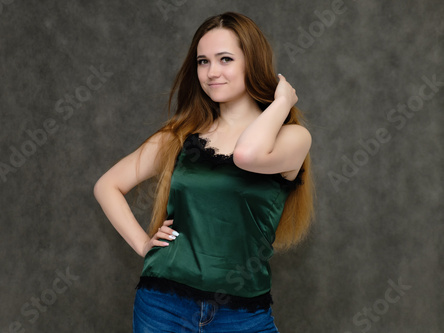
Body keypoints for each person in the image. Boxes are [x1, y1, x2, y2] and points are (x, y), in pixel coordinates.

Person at [94, 11, 314, 333]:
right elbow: (107, 185)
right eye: (202, 61)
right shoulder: (181, 137)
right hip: (162, 306)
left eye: (225, 59)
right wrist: (144, 245)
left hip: (243, 314)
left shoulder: (292, 137)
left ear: (252, 62)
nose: (211, 72)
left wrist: (281, 104)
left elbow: (247, 155)